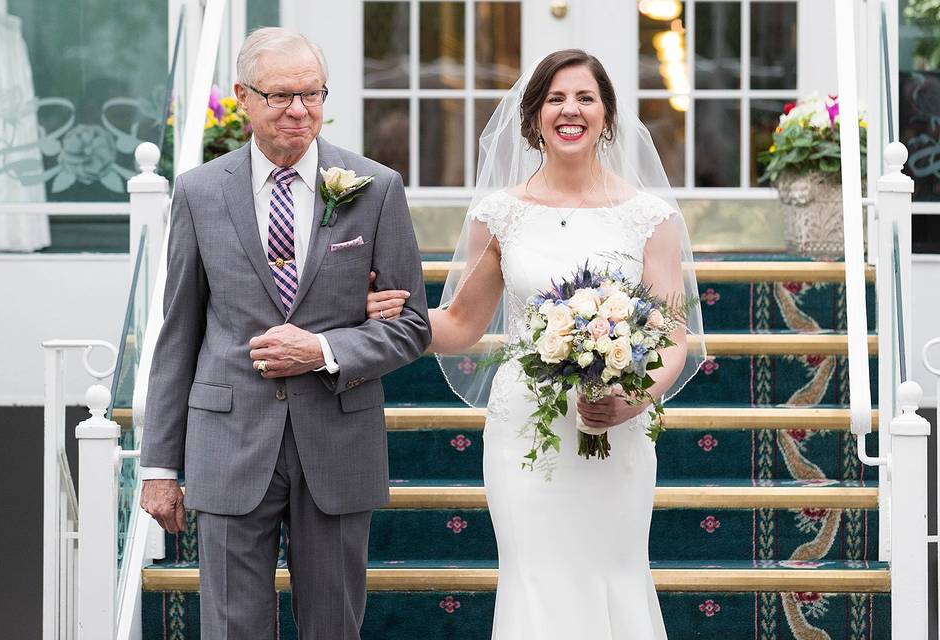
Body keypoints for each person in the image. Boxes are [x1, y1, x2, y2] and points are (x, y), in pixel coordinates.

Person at [366, 49, 704, 638]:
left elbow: (672, 337)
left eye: (585, 98)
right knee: (535, 576)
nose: (569, 110)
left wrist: (634, 399)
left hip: (617, 427)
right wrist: (403, 316)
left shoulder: (650, 217)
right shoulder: (500, 214)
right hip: (527, 427)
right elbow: (463, 324)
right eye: (555, 98)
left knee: (613, 572)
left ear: (607, 115)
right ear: (533, 118)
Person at [138, 27, 430, 639]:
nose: (300, 111)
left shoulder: (375, 188)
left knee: (332, 625)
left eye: (312, 94)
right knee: (230, 626)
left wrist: (323, 349)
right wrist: (160, 465)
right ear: (244, 97)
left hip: (337, 439)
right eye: (281, 96)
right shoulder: (198, 191)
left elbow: (409, 327)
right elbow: (178, 333)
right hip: (228, 437)